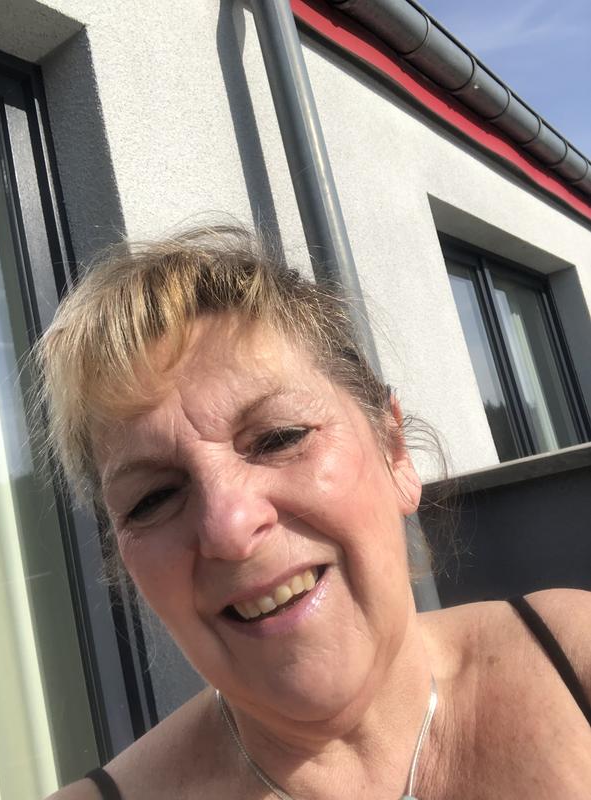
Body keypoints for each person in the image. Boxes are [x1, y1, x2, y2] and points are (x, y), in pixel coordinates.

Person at [39, 225, 591, 800]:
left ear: (395, 453)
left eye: (279, 437)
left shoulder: (575, 654)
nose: (229, 528)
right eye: (152, 499)